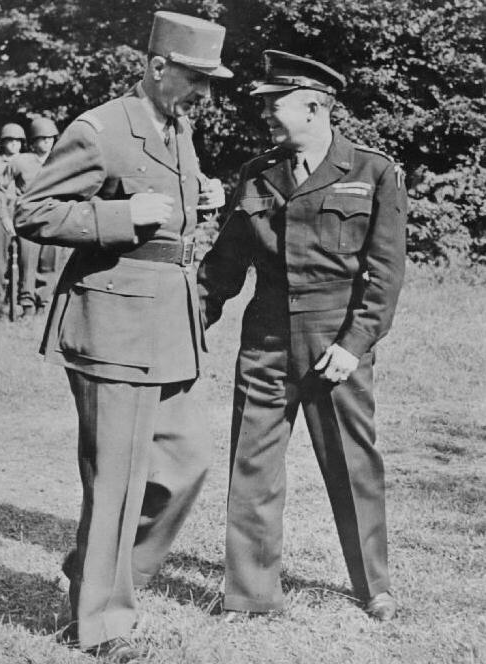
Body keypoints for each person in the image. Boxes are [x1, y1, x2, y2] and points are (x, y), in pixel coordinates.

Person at [15, 11, 232, 661]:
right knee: (117, 478)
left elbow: (174, 209)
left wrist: (203, 200)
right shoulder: (102, 129)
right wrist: (120, 215)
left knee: (186, 464)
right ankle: (102, 622)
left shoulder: (177, 125)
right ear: (158, 67)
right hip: (111, 324)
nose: (205, 94)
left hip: (165, 324)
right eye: (196, 79)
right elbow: (34, 212)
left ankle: (95, 572)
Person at [197, 50, 407, 622]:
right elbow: (224, 266)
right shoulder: (257, 173)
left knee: (352, 465)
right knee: (253, 464)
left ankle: (374, 587)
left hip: (334, 339)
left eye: (275, 103)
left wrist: (354, 343)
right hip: (265, 339)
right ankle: (250, 593)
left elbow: (385, 275)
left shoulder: (372, 171)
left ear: (314, 107)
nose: (264, 112)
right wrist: (191, 321)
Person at [12, 117, 59, 315]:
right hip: (29, 218)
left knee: (49, 261)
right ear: (33, 141)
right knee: (27, 261)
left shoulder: (60, 161)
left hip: (53, 215)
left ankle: (44, 302)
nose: (48, 141)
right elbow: (6, 188)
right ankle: (27, 304)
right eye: (42, 138)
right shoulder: (20, 162)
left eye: (51, 137)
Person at [0, 122, 25, 316]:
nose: (14, 145)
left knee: (24, 257)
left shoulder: (25, 161)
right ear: (3, 143)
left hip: (21, 211)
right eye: (10, 141)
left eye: (18, 141)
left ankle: (21, 295)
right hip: (0, 210)